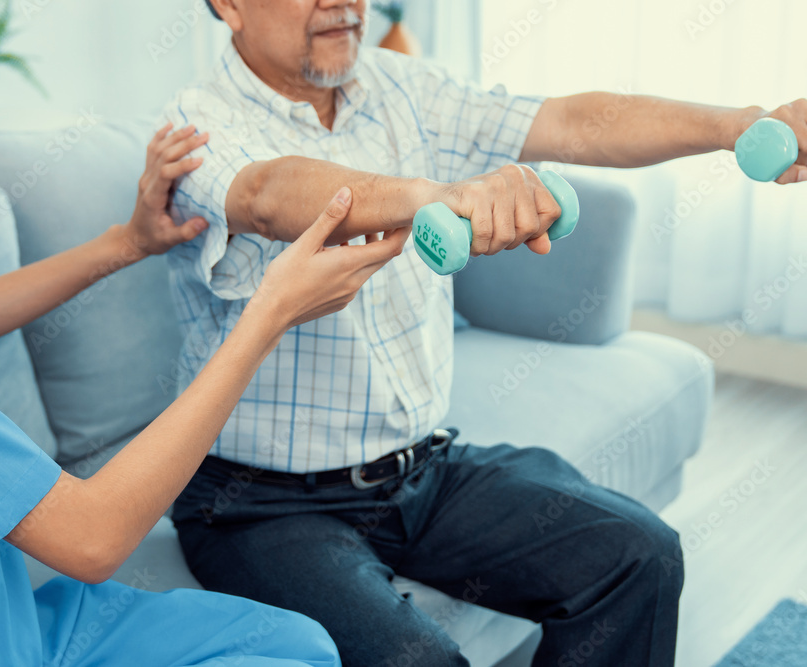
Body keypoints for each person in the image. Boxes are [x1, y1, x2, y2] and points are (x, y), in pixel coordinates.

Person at [161, 1, 807, 666]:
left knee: (637, 553)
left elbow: (571, 121)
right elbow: (268, 194)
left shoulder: (401, 85)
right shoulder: (197, 119)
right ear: (229, 5)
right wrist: (437, 197)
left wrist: (740, 125)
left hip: (420, 470)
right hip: (257, 504)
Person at [0, 1, 410, 665]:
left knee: (300, 643)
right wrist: (268, 313)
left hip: (6, 617)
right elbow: (91, 538)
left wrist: (126, 243)